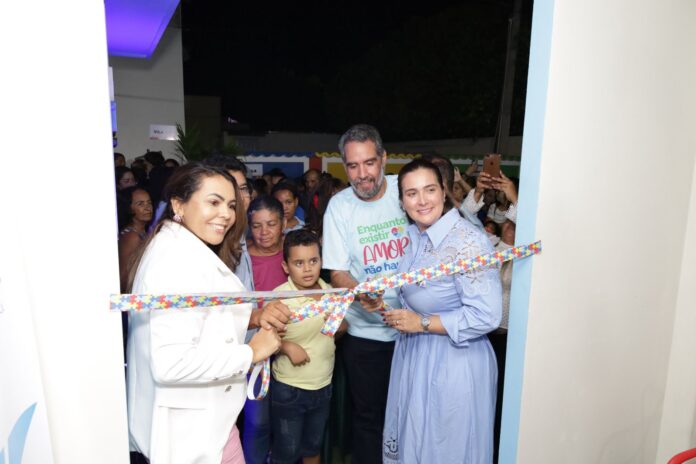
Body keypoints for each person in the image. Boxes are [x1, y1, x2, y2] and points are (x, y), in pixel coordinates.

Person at [126, 163, 284, 464]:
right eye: (214, 202)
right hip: (191, 435)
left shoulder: (185, 248)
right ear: (178, 204)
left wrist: (252, 318)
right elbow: (171, 363)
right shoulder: (173, 261)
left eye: (231, 205)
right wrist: (250, 353)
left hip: (212, 427)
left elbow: (201, 318)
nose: (226, 214)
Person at [382, 158, 502, 463]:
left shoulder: (468, 242)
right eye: (411, 193)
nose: (422, 200)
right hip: (416, 355)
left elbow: (487, 316)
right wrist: (381, 303)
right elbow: (418, 295)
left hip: (455, 362)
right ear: (402, 201)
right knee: (416, 442)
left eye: (430, 190)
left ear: (444, 191)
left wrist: (421, 322)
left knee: (446, 447)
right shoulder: (414, 236)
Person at [322, 124, 409, 464]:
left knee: (410, 413)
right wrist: (361, 294)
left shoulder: (406, 192)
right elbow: (337, 272)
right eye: (353, 166)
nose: (362, 174)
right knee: (368, 418)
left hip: (414, 329)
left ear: (384, 158)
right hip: (365, 334)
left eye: (369, 163)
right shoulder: (339, 207)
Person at [270, 230, 347, 464]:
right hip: (289, 389)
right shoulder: (279, 297)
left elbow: (339, 330)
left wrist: (340, 326)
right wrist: (286, 346)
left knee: (313, 448)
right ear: (285, 266)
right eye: (299, 263)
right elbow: (263, 339)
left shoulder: (330, 293)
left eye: (313, 261)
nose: (307, 269)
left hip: (323, 385)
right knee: (286, 453)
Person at [244, 195, 289, 464]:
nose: (264, 232)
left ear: (283, 223)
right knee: (257, 420)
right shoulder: (241, 256)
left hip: (290, 343)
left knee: (287, 418)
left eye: (271, 224)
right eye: (257, 225)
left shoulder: (292, 253)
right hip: (255, 347)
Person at [116, 187, 153, 291]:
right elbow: (123, 277)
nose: (147, 208)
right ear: (129, 208)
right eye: (140, 204)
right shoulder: (132, 237)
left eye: (149, 203)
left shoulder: (142, 232)